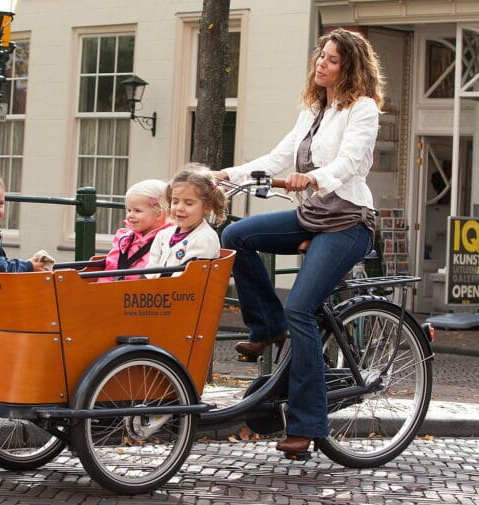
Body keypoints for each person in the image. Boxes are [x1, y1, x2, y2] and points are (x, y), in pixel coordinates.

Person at [213, 28, 384, 459]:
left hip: (347, 221)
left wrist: (312, 177)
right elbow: (277, 158)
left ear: (350, 67)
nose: (320, 65)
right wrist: (226, 175)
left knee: (301, 309)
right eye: (320, 57)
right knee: (236, 235)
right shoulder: (312, 110)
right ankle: (267, 327)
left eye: (331, 59)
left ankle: (308, 424)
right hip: (311, 216)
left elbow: (349, 162)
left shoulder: (362, 109)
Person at [146, 164, 225, 276]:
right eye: (175, 201)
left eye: (189, 203)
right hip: (157, 292)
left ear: (206, 206)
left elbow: (187, 278)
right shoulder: (163, 235)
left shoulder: (204, 238)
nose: (179, 208)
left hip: (183, 292)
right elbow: (150, 269)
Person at [96, 178, 173, 282]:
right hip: (115, 291)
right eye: (129, 210)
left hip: (142, 293)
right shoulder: (125, 239)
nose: (130, 215)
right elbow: (111, 267)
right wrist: (101, 290)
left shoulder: (168, 240)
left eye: (137, 210)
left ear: (159, 214)